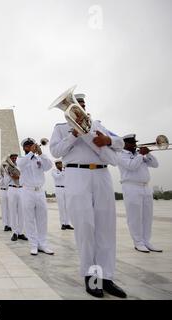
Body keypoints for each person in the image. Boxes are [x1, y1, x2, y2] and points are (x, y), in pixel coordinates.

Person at [50, 92, 127, 298]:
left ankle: (107, 277)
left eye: (81, 104)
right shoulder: (60, 129)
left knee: (105, 226)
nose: (79, 107)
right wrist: (73, 135)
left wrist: (107, 139)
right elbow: (56, 152)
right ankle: (91, 276)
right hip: (76, 174)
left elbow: (120, 142)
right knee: (85, 226)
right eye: (74, 104)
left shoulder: (97, 125)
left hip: (101, 174)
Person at [117, 134, 161, 253]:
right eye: (132, 143)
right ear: (125, 144)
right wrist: (141, 155)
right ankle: (138, 242)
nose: (135, 145)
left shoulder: (138, 154)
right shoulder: (120, 155)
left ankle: (146, 241)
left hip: (146, 187)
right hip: (131, 187)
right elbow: (131, 166)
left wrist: (148, 154)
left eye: (135, 142)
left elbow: (155, 164)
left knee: (147, 216)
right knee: (135, 217)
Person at [17, 138, 54, 256]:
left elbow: (48, 166)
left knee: (42, 219)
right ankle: (33, 245)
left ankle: (42, 244)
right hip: (27, 191)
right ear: (24, 148)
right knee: (29, 219)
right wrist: (32, 152)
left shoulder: (39, 159)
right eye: (28, 146)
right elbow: (21, 165)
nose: (31, 147)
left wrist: (41, 153)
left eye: (32, 145)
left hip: (40, 191)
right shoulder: (21, 159)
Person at [5, 154, 28, 241]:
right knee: (13, 211)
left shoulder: (20, 167)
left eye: (15, 158)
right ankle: (14, 232)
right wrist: (14, 175)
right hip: (12, 189)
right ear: (10, 159)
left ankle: (21, 232)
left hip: (21, 189)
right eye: (12, 158)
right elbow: (10, 179)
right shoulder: (8, 168)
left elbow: (23, 177)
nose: (14, 159)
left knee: (21, 212)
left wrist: (19, 176)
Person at [51, 160, 73, 230]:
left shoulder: (65, 170)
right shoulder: (54, 171)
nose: (60, 165)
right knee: (62, 207)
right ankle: (63, 223)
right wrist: (63, 171)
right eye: (58, 164)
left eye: (61, 163)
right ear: (56, 165)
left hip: (66, 188)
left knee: (67, 207)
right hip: (59, 188)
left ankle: (67, 223)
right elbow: (57, 177)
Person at [0, 158, 11, 231]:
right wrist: (3, 175)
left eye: (5, 166)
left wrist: (6, 175)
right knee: (4, 208)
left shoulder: (8, 174)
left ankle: (10, 224)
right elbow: (1, 183)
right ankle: (5, 224)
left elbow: (8, 182)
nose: (4, 168)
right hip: (3, 191)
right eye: (3, 166)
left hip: (9, 191)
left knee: (10, 208)